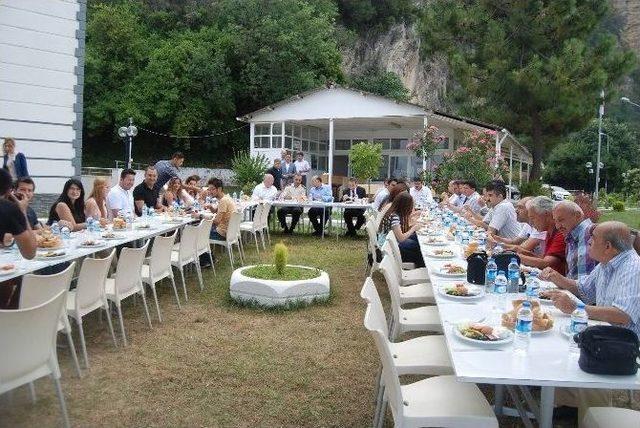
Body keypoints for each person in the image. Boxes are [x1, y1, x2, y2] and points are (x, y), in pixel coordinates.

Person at [516, 196, 566, 274]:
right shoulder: (548, 232)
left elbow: (545, 263)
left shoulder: (560, 233)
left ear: (546, 214)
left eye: (533, 218)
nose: (531, 223)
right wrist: (517, 252)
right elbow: (542, 259)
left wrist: (514, 257)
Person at [552, 200, 597, 280]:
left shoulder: (591, 233)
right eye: (555, 221)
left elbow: (585, 285)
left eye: (561, 220)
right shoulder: (571, 236)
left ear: (577, 215)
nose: (557, 226)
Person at [380, 192, 426, 268]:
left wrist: (413, 216)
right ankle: (421, 267)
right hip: (390, 247)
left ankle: (421, 265)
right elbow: (401, 238)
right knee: (419, 247)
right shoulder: (394, 217)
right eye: (411, 206)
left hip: (392, 242)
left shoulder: (393, 212)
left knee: (417, 239)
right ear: (405, 206)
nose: (412, 208)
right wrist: (414, 228)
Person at [0, 169, 36, 258]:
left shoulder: (30, 210)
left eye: (29, 190)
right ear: (10, 191)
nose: (26, 193)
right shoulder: (9, 210)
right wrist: (22, 211)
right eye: (23, 189)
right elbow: (30, 253)